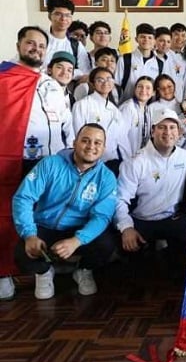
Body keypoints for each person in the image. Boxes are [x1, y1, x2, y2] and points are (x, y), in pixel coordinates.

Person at [0, 26, 74, 299]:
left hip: (50, 164)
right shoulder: (4, 78)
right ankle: (4, 271)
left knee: (45, 216)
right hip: (13, 162)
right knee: (8, 216)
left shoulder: (51, 84)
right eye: (31, 43)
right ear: (19, 44)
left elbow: (67, 126)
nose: (36, 49)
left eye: (41, 46)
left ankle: (43, 270)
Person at [13, 124, 117, 299]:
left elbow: (102, 216)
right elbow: (23, 198)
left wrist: (77, 241)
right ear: (74, 143)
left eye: (97, 143)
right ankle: (44, 272)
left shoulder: (106, 177)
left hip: (78, 229)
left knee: (106, 244)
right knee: (22, 254)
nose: (91, 146)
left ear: (103, 148)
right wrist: (29, 234)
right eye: (85, 140)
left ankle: (84, 270)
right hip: (44, 225)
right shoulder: (50, 164)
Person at [115, 109, 186, 279]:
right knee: (138, 276)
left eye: (172, 128)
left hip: (173, 218)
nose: (168, 132)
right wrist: (126, 228)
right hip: (142, 220)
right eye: (162, 127)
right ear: (153, 131)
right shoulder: (136, 162)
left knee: (180, 272)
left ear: (179, 132)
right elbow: (120, 199)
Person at [72, 67, 125, 176]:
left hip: (111, 162)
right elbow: (77, 134)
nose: (106, 83)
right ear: (92, 83)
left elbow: (122, 139)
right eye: (100, 80)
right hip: (87, 162)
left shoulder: (115, 110)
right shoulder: (82, 105)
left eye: (109, 79)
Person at [44, 0, 91, 80]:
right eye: (58, 14)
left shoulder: (76, 45)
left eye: (67, 15)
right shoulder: (40, 41)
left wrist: (63, 74)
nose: (63, 19)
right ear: (49, 16)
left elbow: (85, 72)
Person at [114, 23, 163, 102]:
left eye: (150, 38)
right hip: (125, 105)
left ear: (154, 41)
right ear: (136, 39)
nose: (146, 40)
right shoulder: (125, 59)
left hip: (149, 107)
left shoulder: (160, 63)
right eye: (142, 37)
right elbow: (116, 85)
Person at [119, 76, 155, 161]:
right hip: (126, 159)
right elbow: (120, 137)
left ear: (153, 92)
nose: (143, 90)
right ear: (135, 89)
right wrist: (128, 159)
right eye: (140, 87)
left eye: (148, 88)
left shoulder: (148, 109)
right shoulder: (128, 107)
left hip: (140, 158)